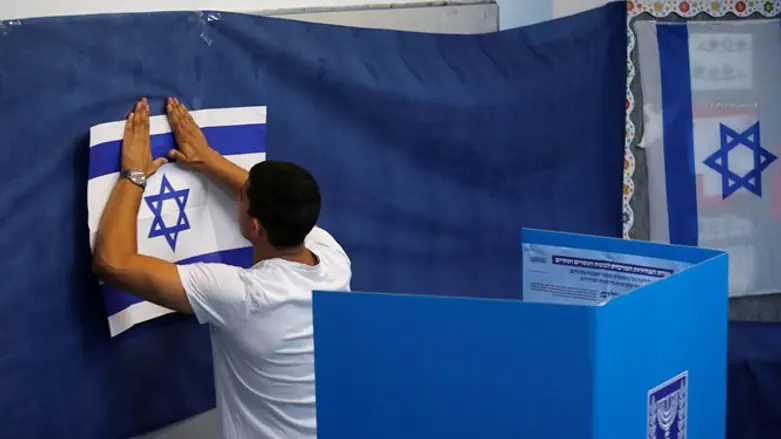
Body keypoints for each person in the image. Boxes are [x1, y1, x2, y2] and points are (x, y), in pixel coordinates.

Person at [93, 97, 351, 439]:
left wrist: (134, 174)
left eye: (243, 196)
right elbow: (280, 206)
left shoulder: (244, 296)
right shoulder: (334, 260)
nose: (238, 194)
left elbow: (113, 262)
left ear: (255, 227)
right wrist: (210, 159)